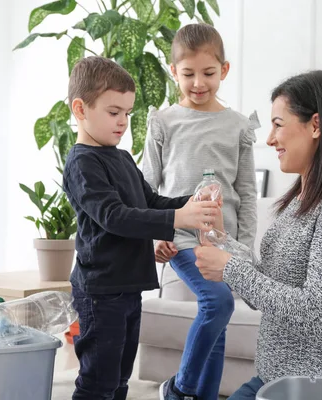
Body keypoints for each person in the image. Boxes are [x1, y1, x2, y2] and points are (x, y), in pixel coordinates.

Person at [194, 70, 322, 399]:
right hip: (276, 379)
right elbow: (266, 293)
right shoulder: (300, 199)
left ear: (315, 125)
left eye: (278, 124)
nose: (269, 139)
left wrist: (229, 268)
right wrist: (221, 239)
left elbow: (319, 311)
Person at [62, 56, 220, 400]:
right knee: (97, 382)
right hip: (100, 291)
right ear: (80, 109)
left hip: (129, 286)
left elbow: (150, 202)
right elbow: (115, 216)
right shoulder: (82, 162)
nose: (122, 122)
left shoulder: (120, 158)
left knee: (120, 380)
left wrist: (190, 203)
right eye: (113, 112)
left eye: (127, 114)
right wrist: (178, 219)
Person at [141, 23, 259, 400]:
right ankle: (179, 388)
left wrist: (242, 248)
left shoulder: (239, 126)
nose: (198, 83)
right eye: (188, 73)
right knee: (218, 302)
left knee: (219, 322)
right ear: (173, 71)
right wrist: (155, 235)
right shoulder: (162, 122)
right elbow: (146, 187)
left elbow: (247, 193)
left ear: (224, 70)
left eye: (208, 73)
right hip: (180, 236)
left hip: (224, 242)